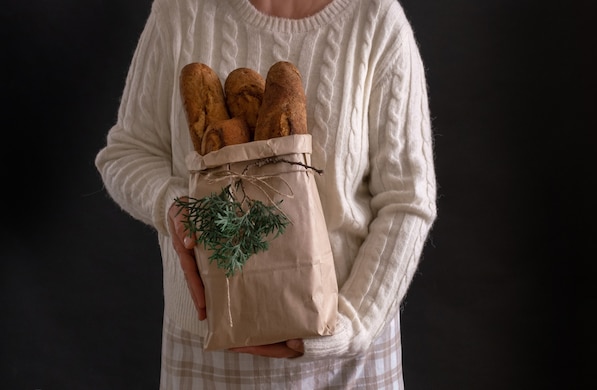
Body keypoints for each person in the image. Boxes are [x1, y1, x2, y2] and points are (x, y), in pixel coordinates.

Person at [95, 0, 437, 388]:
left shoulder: (374, 19)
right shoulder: (181, 11)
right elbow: (125, 154)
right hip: (209, 347)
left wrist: (351, 324)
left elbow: (408, 198)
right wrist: (177, 204)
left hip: (344, 358)